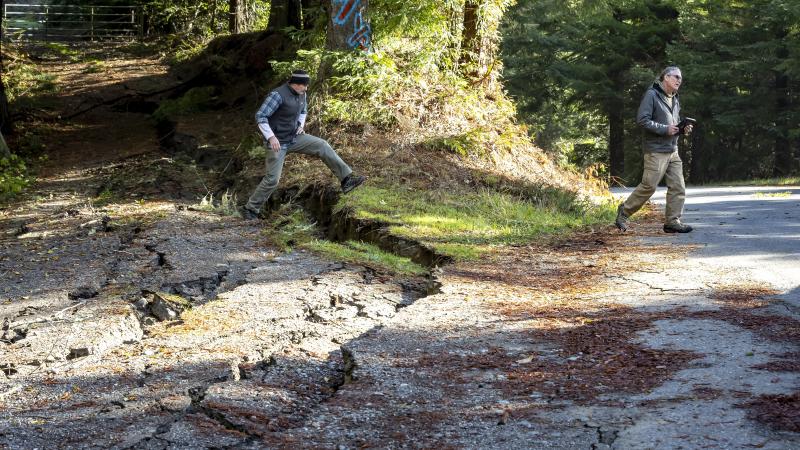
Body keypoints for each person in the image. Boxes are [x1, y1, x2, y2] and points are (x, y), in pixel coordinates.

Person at [242, 69, 366, 220]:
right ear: (296, 84)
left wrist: (300, 125)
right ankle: (250, 209)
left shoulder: (302, 94)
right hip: (277, 143)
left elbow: (303, 111)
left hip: (295, 138)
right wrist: (271, 137)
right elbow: (261, 116)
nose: (306, 88)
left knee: (322, 145)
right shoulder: (277, 95)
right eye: (304, 85)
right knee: (272, 180)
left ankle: (346, 179)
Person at [615, 66, 694, 233]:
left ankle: (672, 221)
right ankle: (624, 211)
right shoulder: (652, 94)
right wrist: (665, 129)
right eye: (676, 77)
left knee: (678, 187)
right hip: (656, 150)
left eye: (680, 78)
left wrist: (682, 128)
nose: (679, 80)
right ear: (666, 77)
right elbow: (642, 120)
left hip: (672, 149)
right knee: (649, 186)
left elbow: (673, 122)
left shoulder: (674, 97)